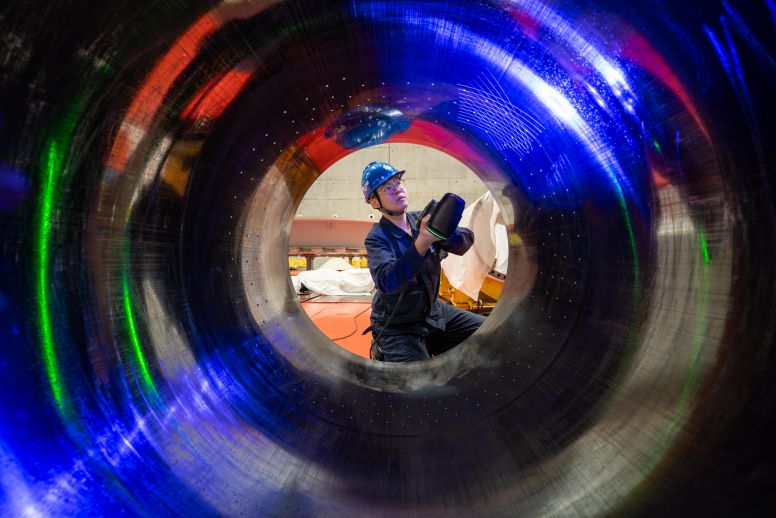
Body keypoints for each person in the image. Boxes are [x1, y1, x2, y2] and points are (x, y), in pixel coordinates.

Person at [361, 161, 486, 362]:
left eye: (398, 183)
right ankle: (383, 350)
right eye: (387, 188)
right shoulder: (377, 238)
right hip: (397, 325)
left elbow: (465, 243)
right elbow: (387, 282)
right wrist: (421, 244)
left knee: (492, 333)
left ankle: (435, 344)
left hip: (434, 313)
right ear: (374, 202)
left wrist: (442, 232)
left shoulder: (422, 220)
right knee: (421, 380)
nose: (397, 190)